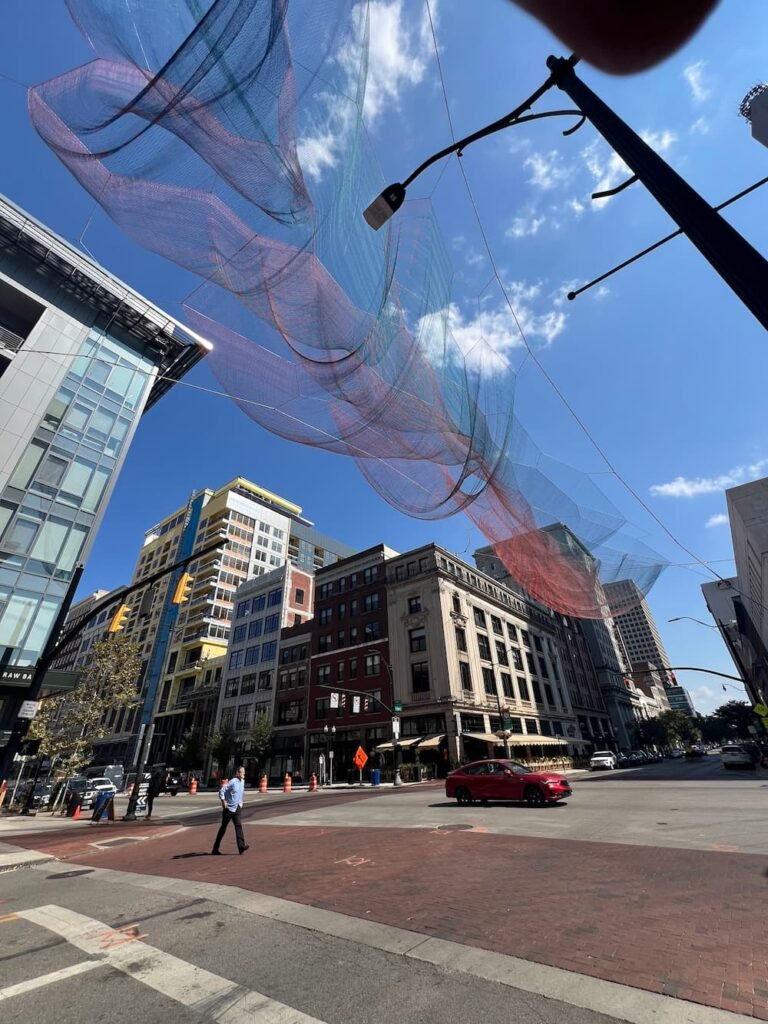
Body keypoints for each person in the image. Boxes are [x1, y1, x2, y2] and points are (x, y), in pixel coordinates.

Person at [211, 766, 249, 855]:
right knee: (223, 828)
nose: (243, 773)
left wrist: (240, 803)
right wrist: (223, 801)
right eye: (241, 772)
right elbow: (222, 791)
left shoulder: (242, 781)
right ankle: (215, 849)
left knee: (238, 825)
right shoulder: (232, 782)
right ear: (237, 773)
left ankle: (241, 847)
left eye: (244, 772)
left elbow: (240, 793)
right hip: (229, 809)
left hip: (237, 807)